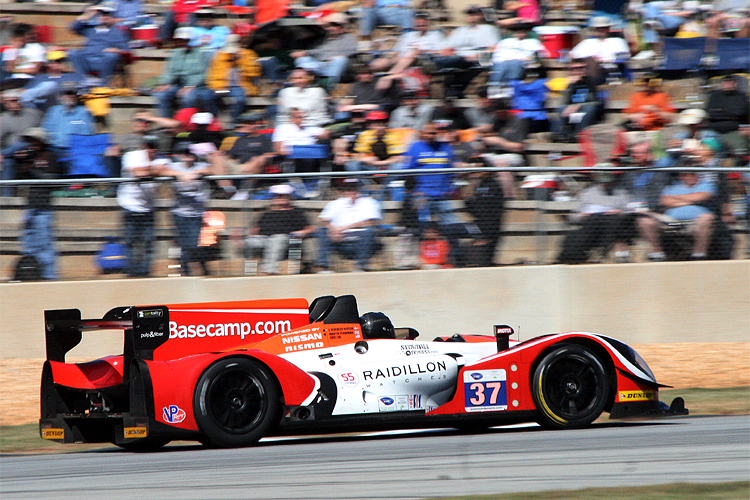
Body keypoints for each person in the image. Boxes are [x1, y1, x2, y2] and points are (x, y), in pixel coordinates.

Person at [556, 171, 636, 264]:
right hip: (591, 224)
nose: (606, 184)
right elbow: (574, 216)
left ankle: (611, 254)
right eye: (603, 182)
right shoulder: (588, 193)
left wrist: (620, 212)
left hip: (612, 223)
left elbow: (630, 211)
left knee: (616, 223)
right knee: (575, 235)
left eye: (608, 182)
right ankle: (570, 258)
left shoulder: (621, 193)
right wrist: (582, 215)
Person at [13, 127, 61, 280]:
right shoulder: (29, 157)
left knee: (44, 245)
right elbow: (18, 180)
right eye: (29, 141)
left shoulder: (50, 156)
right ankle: (31, 275)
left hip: (44, 208)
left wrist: (31, 169)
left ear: (41, 141)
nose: (31, 144)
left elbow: (53, 180)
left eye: (34, 140)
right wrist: (20, 165)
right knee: (28, 244)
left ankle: (49, 277)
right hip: (31, 207)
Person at [161, 142, 215, 275]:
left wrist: (195, 173)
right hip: (180, 213)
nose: (188, 156)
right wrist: (179, 174)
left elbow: (213, 169)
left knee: (197, 244)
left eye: (190, 153)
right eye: (184, 153)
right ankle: (185, 270)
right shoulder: (175, 166)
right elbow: (161, 170)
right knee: (185, 244)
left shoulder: (200, 165)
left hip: (197, 213)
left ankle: (203, 267)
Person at [117, 136, 167, 277]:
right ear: (143, 146)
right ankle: (132, 273)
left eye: (154, 146)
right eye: (148, 146)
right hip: (130, 206)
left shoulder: (161, 159)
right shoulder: (131, 155)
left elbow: (165, 170)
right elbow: (136, 172)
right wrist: (154, 170)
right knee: (131, 242)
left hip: (148, 209)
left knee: (148, 244)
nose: (151, 149)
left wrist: (149, 170)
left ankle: (145, 273)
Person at [243, 183, 316, 275]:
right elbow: (255, 228)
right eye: (277, 196)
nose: (280, 198)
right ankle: (249, 273)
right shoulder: (267, 212)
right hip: (265, 238)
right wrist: (251, 235)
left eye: (283, 196)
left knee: (276, 240)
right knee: (250, 242)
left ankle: (269, 271)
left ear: (289, 197)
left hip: (288, 239)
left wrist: (302, 232)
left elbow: (310, 228)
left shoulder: (297, 212)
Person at [316, 178, 382, 272]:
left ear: (359, 189)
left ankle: (361, 266)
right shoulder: (335, 203)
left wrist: (343, 228)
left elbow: (371, 222)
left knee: (369, 231)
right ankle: (323, 267)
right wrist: (333, 230)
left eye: (354, 188)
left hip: (359, 235)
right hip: (337, 237)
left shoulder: (369, 202)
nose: (351, 191)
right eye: (348, 189)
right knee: (322, 231)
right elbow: (322, 220)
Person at [154, 27, 211, 118]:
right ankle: (167, 123)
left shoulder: (201, 52)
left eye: (185, 40)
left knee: (188, 97)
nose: (182, 43)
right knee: (161, 94)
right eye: (180, 41)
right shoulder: (176, 53)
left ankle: (184, 123)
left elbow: (204, 73)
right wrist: (165, 83)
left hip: (197, 86)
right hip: (179, 84)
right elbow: (170, 71)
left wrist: (190, 86)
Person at [205, 34, 261, 124]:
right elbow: (212, 74)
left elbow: (254, 73)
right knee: (207, 97)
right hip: (221, 86)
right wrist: (217, 87)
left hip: (238, 86)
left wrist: (240, 62)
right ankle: (215, 119)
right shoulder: (219, 56)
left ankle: (234, 121)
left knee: (240, 100)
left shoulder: (248, 54)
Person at [68, 2, 129, 85]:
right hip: (86, 59)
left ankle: (102, 84)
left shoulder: (117, 32)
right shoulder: (90, 29)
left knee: (111, 56)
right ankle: (83, 81)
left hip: (103, 61)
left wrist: (116, 50)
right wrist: (87, 15)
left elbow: (125, 49)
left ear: (112, 17)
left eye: (107, 15)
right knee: (73, 53)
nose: (104, 17)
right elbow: (73, 27)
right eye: (102, 15)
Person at [291, 13, 356, 89]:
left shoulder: (348, 37)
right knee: (301, 60)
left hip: (337, 66)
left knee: (340, 60)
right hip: (320, 65)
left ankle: (329, 85)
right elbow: (316, 51)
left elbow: (352, 51)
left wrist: (339, 56)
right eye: (328, 26)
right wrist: (305, 52)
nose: (330, 28)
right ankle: (308, 81)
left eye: (334, 26)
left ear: (341, 27)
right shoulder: (323, 39)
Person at [550, 58, 605, 143]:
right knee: (561, 108)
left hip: (588, 109)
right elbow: (564, 101)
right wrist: (570, 85)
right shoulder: (570, 83)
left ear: (585, 69)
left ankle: (579, 135)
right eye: (573, 69)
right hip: (573, 110)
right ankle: (561, 135)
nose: (577, 71)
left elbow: (596, 102)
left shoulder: (592, 82)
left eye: (580, 68)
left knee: (589, 109)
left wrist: (578, 106)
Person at [463, 158, 506, 267]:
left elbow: (481, 209)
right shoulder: (482, 186)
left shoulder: (489, 186)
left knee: (450, 229)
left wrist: (468, 201)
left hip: (484, 226)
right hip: (484, 224)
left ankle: (459, 261)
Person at [40, 83, 95, 166]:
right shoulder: (53, 111)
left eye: (74, 93)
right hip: (54, 149)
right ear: (61, 96)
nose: (71, 96)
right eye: (68, 93)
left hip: (75, 150)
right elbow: (45, 131)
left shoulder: (83, 112)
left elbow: (87, 134)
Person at [1, 88, 42, 195]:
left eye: (18, 100)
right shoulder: (3, 119)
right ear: (6, 103)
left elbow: (41, 133)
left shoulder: (33, 114)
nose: (17, 103)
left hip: (32, 149)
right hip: (12, 154)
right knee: (7, 162)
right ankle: (7, 199)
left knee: (22, 144)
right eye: (13, 100)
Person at [488, 21, 548, 90]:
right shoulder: (506, 41)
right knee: (500, 66)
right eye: (518, 31)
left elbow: (542, 53)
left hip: (522, 62)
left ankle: (510, 87)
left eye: (522, 31)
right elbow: (498, 55)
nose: (520, 34)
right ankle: (494, 87)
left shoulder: (533, 42)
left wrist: (532, 57)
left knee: (515, 63)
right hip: (504, 61)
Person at [19, 51, 84, 112]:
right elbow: (25, 91)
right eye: (56, 61)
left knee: (51, 85)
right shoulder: (40, 77)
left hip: (61, 104)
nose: (59, 63)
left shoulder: (72, 76)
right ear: (48, 64)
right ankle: (30, 113)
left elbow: (80, 91)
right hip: (39, 106)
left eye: (61, 61)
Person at [704, 75, 749, 157]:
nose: (728, 84)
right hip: (714, 129)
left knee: (740, 151)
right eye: (725, 82)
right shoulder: (715, 96)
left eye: (730, 82)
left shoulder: (741, 96)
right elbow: (712, 113)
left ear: (735, 84)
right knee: (705, 149)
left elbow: (741, 112)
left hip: (733, 130)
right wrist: (731, 114)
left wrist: (722, 111)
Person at [1, 23, 45, 88]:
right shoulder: (12, 49)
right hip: (13, 80)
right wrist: (16, 50)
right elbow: (9, 68)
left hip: (29, 80)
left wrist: (15, 70)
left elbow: (34, 70)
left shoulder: (37, 48)